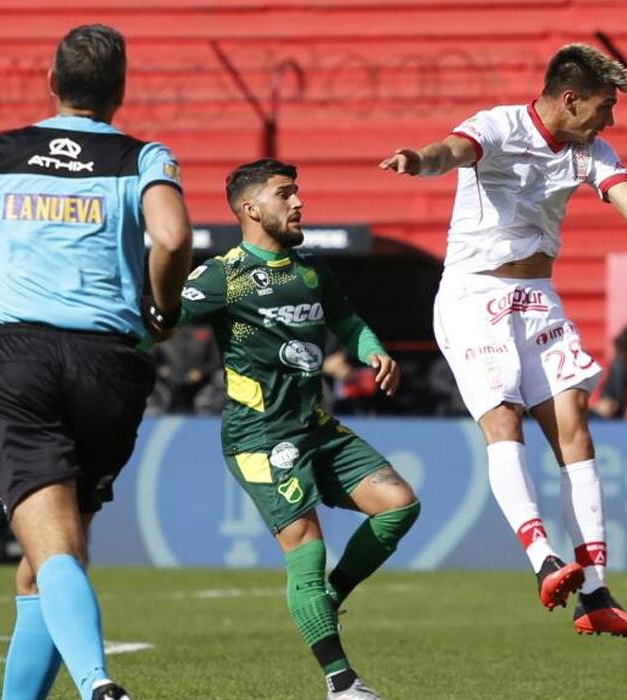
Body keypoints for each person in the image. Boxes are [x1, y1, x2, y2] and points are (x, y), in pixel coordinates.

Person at [381, 43, 627, 637]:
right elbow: (452, 151)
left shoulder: (590, 152)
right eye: (605, 106)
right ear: (570, 98)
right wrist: (418, 159)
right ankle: (545, 561)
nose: (610, 119)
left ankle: (599, 593)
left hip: (537, 301)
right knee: (503, 421)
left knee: (574, 425)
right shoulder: (499, 125)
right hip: (473, 298)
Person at [0, 24, 192, 700]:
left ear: (51, 82)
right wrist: (162, 311)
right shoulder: (141, 157)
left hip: (18, 359)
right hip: (109, 364)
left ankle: (98, 684)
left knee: (50, 552)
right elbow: (172, 235)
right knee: (45, 565)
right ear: (120, 91)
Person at [178, 159, 419, 700]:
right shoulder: (224, 275)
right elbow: (160, 320)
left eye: (297, 192)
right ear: (251, 208)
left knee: (400, 504)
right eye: (284, 194)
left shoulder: (312, 271)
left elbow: (347, 323)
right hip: (259, 437)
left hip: (316, 427)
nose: (298, 203)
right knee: (306, 545)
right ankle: (341, 682)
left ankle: (326, 600)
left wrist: (373, 348)